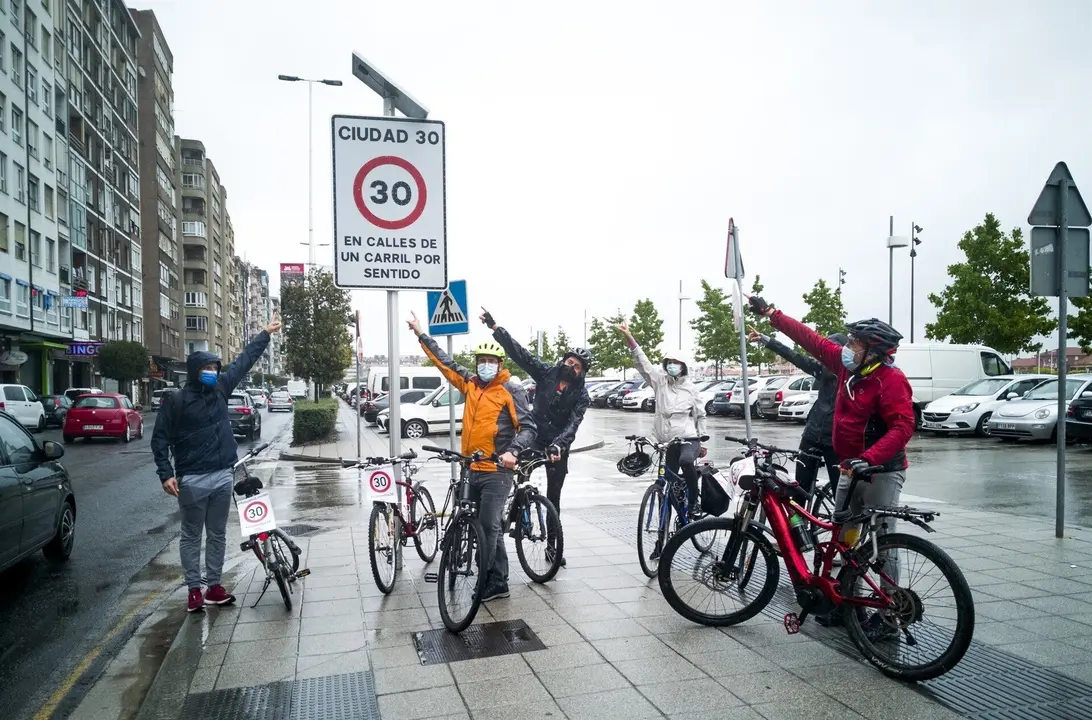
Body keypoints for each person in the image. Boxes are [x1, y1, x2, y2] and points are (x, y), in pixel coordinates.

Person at [749, 296, 914, 635]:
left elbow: (902, 427)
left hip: (880, 471)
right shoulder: (845, 368)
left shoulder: (890, 380)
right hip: (850, 470)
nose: (848, 347)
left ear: (873, 350)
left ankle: (889, 614)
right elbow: (808, 340)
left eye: (855, 343)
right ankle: (846, 603)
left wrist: (869, 459)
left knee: (882, 541)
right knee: (845, 539)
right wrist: (772, 314)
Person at [152, 316, 282, 613]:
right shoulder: (176, 401)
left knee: (218, 534)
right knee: (191, 535)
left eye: (214, 368)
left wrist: (264, 333)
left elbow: (244, 361)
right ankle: (194, 590)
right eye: (206, 369)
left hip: (223, 475)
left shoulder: (221, 388)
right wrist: (165, 474)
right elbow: (159, 440)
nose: (212, 372)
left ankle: (214, 587)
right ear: (195, 372)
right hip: (192, 479)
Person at [409, 311, 536, 601]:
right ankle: (499, 580)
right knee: (483, 525)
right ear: (477, 363)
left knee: (489, 525)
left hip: (496, 470)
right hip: (470, 468)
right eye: (482, 361)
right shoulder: (470, 383)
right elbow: (445, 362)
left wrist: (513, 452)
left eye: (492, 361)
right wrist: (420, 334)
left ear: (500, 364)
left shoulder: (509, 390)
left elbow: (528, 427)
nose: (486, 365)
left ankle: (486, 580)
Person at [480, 309, 592, 568]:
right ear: (564, 361)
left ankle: (552, 547)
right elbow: (520, 353)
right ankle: (513, 515)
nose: (571, 367)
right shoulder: (547, 373)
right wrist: (495, 328)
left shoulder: (582, 395)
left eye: (577, 366)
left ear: (582, 372)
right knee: (512, 473)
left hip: (557, 444)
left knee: (554, 495)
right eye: (569, 362)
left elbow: (573, 424)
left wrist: (559, 445)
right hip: (533, 436)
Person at [617, 322, 708, 518]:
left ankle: (694, 502)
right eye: (669, 362)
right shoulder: (659, 381)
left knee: (686, 461)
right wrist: (630, 338)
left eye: (676, 362)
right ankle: (664, 528)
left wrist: (702, 439)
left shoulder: (691, 389)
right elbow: (643, 364)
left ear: (683, 366)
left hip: (687, 438)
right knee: (667, 481)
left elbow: (700, 414)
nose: (672, 365)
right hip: (666, 440)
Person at [747, 325, 847, 494]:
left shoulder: (851, 377)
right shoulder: (822, 370)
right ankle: (799, 519)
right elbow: (793, 356)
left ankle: (840, 520)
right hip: (812, 436)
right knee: (799, 490)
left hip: (837, 442)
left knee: (841, 494)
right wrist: (766, 340)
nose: (826, 358)